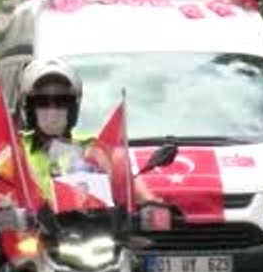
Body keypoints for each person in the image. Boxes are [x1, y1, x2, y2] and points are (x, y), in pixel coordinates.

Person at [15, 58, 157, 207]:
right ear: (27, 106)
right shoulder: (12, 152)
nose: (52, 110)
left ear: (74, 106)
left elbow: (139, 195)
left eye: (62, 101)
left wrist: (154, 207)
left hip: (94, 229)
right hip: (29, 230)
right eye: (42, 101)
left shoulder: (97, 151)